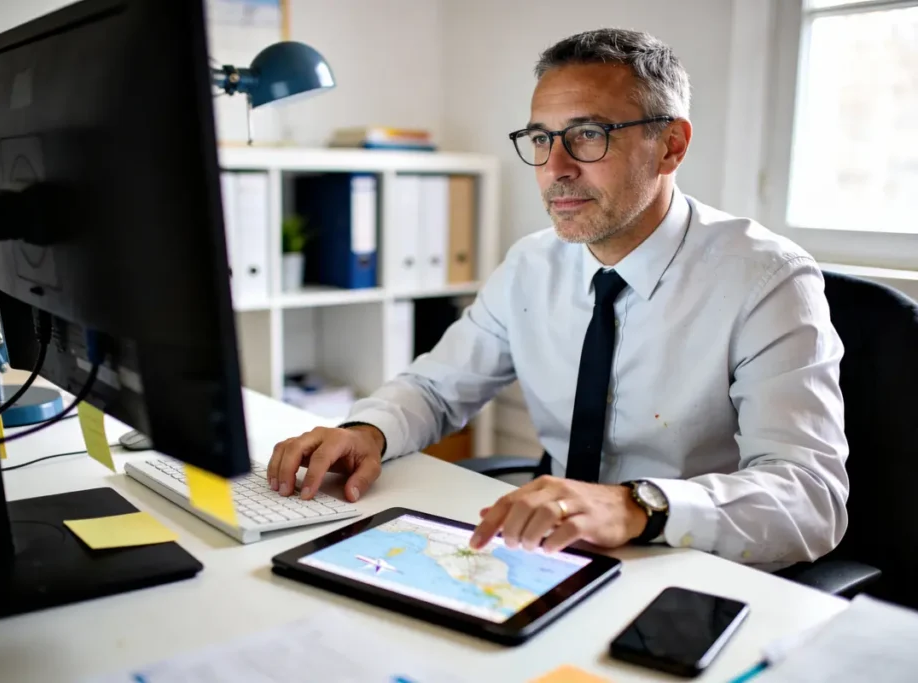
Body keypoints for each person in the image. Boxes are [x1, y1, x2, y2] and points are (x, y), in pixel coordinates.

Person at [265, 28, 849, 568]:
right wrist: (368, 431)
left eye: (588, 135)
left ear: (670, 146)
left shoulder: (767, 280)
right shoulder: (532, 262)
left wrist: (640, 506)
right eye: (541, 138)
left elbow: (810, 495)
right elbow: (435, 388)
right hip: (553, 550)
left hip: (688, 559)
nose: (555, 168)